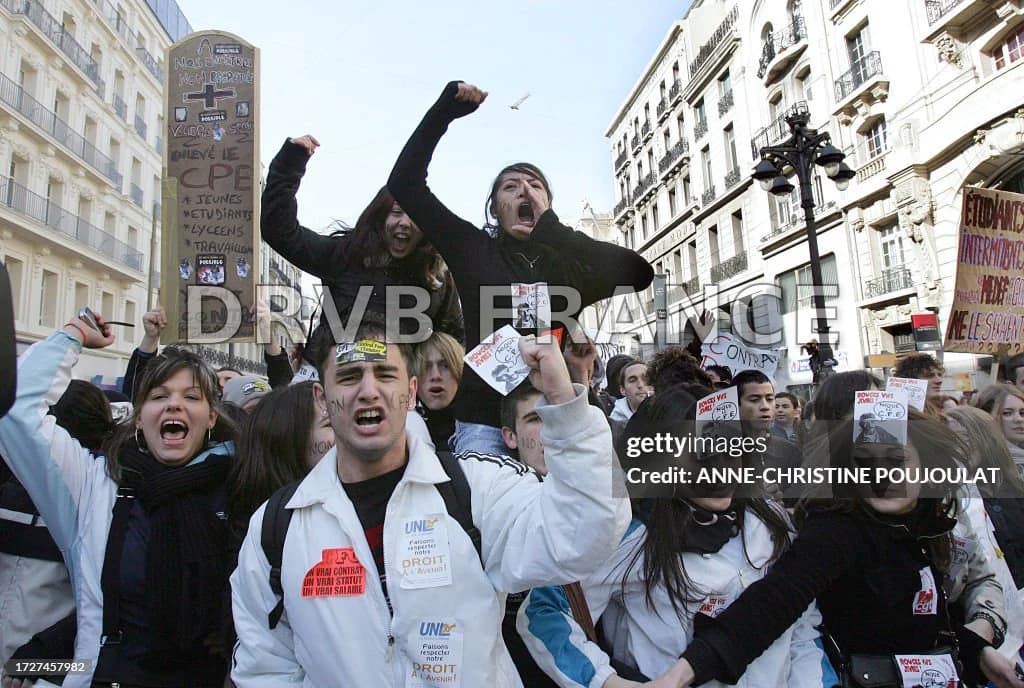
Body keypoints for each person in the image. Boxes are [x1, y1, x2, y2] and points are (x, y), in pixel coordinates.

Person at [230, 316, 630, 686]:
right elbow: (265, 666)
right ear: (323, 397)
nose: (369, 391)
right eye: (350, 377)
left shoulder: (475, 489)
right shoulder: (276, 527)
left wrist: (566, 404)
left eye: (385, 374)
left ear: (410, 391)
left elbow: (590, 532)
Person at [388, 80, 653, 455]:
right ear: (495, 208)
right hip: (485, 422)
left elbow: (638, 272)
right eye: (510, 187)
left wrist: (555, 232)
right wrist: (444, 113)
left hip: (554, 418)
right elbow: (405, 183)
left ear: (547, 202)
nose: (524, 192)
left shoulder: (569, 266)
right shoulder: (472, 248)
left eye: (534, 186)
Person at [664, 412, 1023, 688]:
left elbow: (922, 618)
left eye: (895, 461)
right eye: (864, 462)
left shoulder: (925, 525)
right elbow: (773, 601)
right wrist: (681, 674)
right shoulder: (836, 531)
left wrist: (978, 651)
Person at [518, 387, 836, 687]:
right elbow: (543, 612)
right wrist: (608, 681)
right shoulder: (626, 536)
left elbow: (803, 628)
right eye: (701, 458)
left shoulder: (771, 524)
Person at [0, 310, 238, 687]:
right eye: (159, 396)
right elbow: (15, 411)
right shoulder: (93, 487)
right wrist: (73, 334)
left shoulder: (242, 488)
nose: (174, 405)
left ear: (210, 417)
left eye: (190, 396)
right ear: (140, 417)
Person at [261, 135, 463, 356]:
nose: (405, 223)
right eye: (396, 212)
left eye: (415, 216)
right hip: (337, 380)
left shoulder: (437, 277)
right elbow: (280, 231)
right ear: (380, 217)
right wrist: (290, 164)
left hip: (404, 386)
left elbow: (453, 337)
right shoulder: (343, 255)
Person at [0, 381, 115, 675]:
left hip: (47, 669)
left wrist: (38, 663)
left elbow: (104, 604)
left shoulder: (101, 504)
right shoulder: (10, 492)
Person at [413, 331, 463, 450]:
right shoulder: (405, 432)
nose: (436, 375)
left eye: (445, 366)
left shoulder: (478, 429)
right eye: (426, 367)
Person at [975, 384, 1024, 476]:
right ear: (986, 416)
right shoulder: (982, 463)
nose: (1019, 419)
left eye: (1022, 413)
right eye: (1007, 413)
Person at [500, 381, 546, 475]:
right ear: (511, 437)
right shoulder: (496, 487)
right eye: (535, 419)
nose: (551, 429)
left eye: (557, 416)